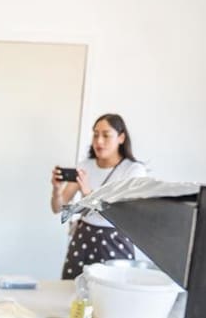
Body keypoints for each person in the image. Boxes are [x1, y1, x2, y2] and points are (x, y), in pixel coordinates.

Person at [50, 113, 148, 279]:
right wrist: (57, 190)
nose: (99, 141)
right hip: (82, 238)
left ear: (121, 138)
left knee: (111, 293)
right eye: (95, 134)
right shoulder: (84, 166)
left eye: (106, 135)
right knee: (73, 292)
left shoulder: (133, 170)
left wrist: (88, 193)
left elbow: (125, 215)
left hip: (114, 241)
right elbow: (58, 208)